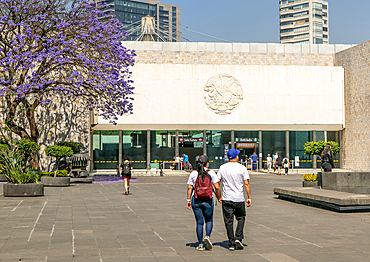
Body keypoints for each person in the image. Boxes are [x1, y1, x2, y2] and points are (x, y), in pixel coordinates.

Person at [216, 148, 252, 251]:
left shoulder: (222, 168)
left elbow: (217, 183)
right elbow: (246, 183)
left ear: (228, 157)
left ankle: (231, 243)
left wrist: (219, 196)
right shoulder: (242, 168)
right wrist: (249, 196)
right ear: (236, 157)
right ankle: (238, 237)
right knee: (241, 218)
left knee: (228, 221)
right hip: (239, 198)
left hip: (227, 198)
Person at [187, 155, 221, 251]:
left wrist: (188, 200)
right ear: (207, 163)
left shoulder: (194, 173)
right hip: (208, 200)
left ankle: (200, 244)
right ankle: (208, 236)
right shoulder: (211, 173)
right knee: (209, 220)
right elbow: (217, 187)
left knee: (199, 222)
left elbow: (190, 187)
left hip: (196, 199)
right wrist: (219, 197)